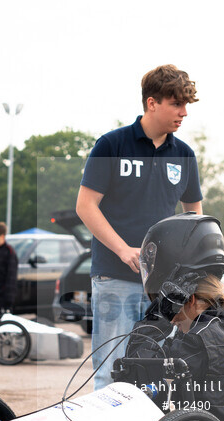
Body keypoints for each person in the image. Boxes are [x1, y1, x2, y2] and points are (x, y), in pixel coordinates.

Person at [76, 65, 202, 390]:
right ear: (152, 103)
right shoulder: (111, 145)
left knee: (155, 375)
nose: (183, 113)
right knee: (110, 373)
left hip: (163, 288)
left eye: (186, 105)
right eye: (176, 104)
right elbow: (85, 206)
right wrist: (122, 249)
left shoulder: (185, 155)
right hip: (114, 277)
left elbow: (194, 218)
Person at [120, 213, 224, 421]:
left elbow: (138, 371)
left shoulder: (198, 341)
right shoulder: (222, 324)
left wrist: (160, 313)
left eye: (170, 300)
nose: (174, 323)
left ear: (186, 298)